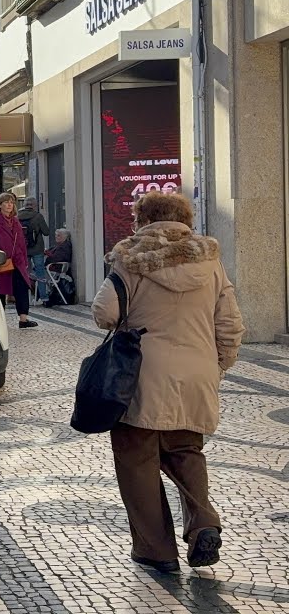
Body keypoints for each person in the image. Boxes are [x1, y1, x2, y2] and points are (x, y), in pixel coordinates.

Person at [92, 192, 244, 573]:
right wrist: (216, 366)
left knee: (137, 460)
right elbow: (230, 325)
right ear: (185, 220)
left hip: (140, 379)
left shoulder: (130, 259)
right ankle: (203, 524)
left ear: (143, 220)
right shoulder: (210, 262)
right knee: (187, 451)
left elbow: (104, 312)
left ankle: (156, 550)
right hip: (196, 376)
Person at [0, 192, 37, 328]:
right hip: (1, 261)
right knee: (1, 291)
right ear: (0, 205)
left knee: (22, 288)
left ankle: (23, 319)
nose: (9, 205)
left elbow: (21, 243)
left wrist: (24, 260)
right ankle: (0, 321)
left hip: (17, 261)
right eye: (6, 202)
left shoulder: (15, 221)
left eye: (12, 202)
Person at [19, 197, 50, 302]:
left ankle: (27, 297)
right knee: (40, 272)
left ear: (24, 205)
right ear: (34, 205)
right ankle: (43, 297)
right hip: (37, 249)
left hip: (23, 249)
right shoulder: (38, 216)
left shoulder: (17, 216)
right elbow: (46, 232)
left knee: (25, 273)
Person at [43, 228, 75, 307]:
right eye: (56, 235)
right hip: (53, 268)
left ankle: (43, 296)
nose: (56, 237)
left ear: (65, 237)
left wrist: (48, 254)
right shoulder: (59, 245)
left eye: (59, 235)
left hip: (55, 269)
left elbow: (58, 258)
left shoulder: (65, 246)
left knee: (37, 275)